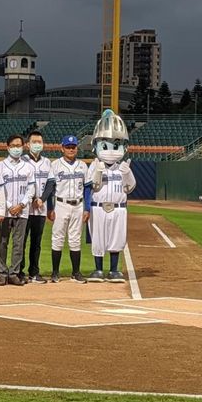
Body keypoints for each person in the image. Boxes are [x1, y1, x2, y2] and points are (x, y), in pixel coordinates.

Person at [84, 109, 136, 284]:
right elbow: (94, 186)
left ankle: (114, 270)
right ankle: (98, 269)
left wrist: (127, 174)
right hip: (98, 207)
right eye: (105, 145)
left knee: (116, 237)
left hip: (118, 208)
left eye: (116, 145)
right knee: (98, 238)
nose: (111, 150)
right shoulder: (95, 166)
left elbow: (130, 188)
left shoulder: (122, 167)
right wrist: (98, 172)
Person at [43, 135, 87, 283]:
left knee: (75, 239)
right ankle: (55, 272)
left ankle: (76, 272)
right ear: (62, 148)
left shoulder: (83, 165)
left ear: (77, 148)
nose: (71, 149)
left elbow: (87, 189)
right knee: (58, 239)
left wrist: (87, 209)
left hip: (78, 205)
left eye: (73, 146)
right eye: (68, 147)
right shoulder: (55, 165)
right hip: (61, 204)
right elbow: (50, 188)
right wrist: (50, 208)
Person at [0, 134, 36, 286]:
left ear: (23, 147)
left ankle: (14, 273)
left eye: (19, 145)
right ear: (7, 147)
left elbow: (31, 188)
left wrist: (22, 204)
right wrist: (8, 206)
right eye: (13, 145)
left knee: (19, 244)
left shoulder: (28, 167)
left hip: (22, 210)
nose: (16, 148)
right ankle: (1, 273)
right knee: (3, 243)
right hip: (5, 211)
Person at [19, 130, 51, 284]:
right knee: (21, 241)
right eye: (34, 142)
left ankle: (34, 272)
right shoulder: (22, 160)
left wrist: (42, 199)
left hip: (40, 208)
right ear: (27, 144)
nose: (37, 145)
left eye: (40, 142)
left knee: (36, 242)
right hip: (25, 209)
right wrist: (30, 198)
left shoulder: (47, 162)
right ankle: (19, 271)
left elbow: (51, 183)